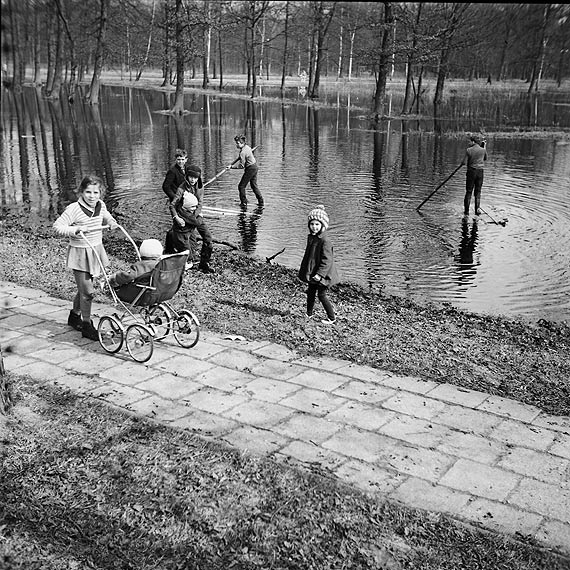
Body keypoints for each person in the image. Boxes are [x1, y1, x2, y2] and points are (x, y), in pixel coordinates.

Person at [53, 175, 120, 341]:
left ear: (100, 193)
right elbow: (57, 227)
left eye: (95, 192)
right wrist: (74, 230)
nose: (92, 196)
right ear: (81, 192)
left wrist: (111, 222)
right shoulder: (74, 209)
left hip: (95, 250)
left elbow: (106, 216)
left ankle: (74, 315)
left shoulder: (101, 205)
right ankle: (86, 325)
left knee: (83, 289)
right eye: (88, 192)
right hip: (80, 253)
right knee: (88, 292)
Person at [162, 150, 214, 273]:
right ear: (187, 177)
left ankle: (204, 263)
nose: (193, 180)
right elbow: (172, 204)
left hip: (196, 217)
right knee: (184, 242)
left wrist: (196, 216)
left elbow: (200, 203)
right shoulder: (180, 187)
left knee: (208, 239)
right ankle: (182, 259)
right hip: (183, 215)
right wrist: (177, 217)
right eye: (190, 177)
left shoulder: (200, 187)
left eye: (195, 177)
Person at [298, 204, 340, 325]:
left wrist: (320, 274)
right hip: (313, 271)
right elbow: (310, 256)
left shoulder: (325, 240)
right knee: (310, 292)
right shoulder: (312, 237)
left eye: (317, 224)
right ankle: (309, 313)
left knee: (322, 295)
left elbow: (327, 260)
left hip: (323, 274)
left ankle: (332, 318)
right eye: (312, 224)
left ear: (323, 225)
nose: (314, 227)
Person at [164, 192, 200, 269]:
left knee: (191, 244)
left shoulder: (180, 210)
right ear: (186, 206)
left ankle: (190, 258)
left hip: (184, 233)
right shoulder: (187, 215)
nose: (195, 208)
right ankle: (185, 263)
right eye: (192, 207)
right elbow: (197, 222)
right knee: (185, 249)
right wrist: (200, 216)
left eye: (196, 206)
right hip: (182, 236)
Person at [229, 134, 263, 208]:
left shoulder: (242, 152)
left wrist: (231, 167)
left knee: (241, 186)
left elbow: (241, 166)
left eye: (238, 143)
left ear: (242, 143)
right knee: (254, 186)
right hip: (255, 167)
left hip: (250, 169)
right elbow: (245, 155)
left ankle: (244, 203)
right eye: (236, 143)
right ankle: (261, 202)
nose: (236, 145)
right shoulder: (247, 147)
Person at [461, 133, 487, 218]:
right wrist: (484, 147)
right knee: (478, 192)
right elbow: (485, 158)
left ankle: (466, 212)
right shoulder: (483, 150)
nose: (468, 143)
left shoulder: (469, 150)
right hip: (480, 172)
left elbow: (464, 163)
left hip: (471, 172)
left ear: (473, 141)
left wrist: (462, 163)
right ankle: (477, 211)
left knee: (469, 192)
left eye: (469, 141)